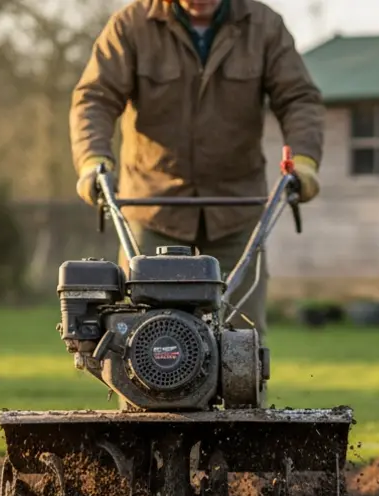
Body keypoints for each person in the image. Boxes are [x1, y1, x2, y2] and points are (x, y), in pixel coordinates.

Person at [70, 0, 324, 337]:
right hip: (154, 211)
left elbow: (298, 98)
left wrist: (303, 162)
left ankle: (240, 387)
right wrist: (93, 161)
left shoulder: (263, 26)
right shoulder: (131, 26)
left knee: (241, 341)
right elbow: (95, 98)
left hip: (236, 216)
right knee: (138, 340)